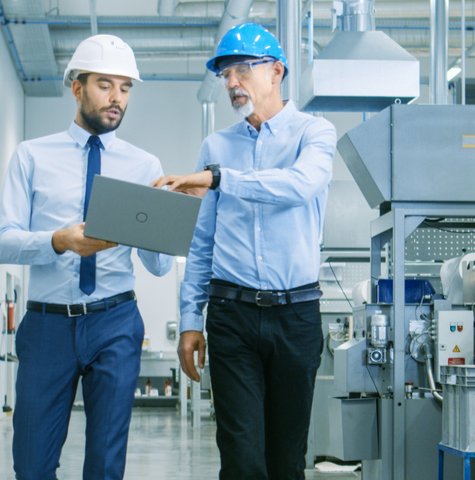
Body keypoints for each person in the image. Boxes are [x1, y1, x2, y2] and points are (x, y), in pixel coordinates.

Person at [151, 22, 336, 480]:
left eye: (242, 70)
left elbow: (299, 185)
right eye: (225, 74)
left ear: (276, 71)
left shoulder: (315, 133)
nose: (232, 83)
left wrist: (220, 178)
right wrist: (190, 321)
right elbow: (202, 242)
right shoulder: (217, 146)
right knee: (240, 457)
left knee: (286, 459)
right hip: (232, 315)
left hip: (297, 315)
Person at [0, 34, 171, 480]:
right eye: (105, 85)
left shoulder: (144, 166)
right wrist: (59, 241)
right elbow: (1, 243)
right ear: (77, 87)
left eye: (125, 88)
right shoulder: (32, 156)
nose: (117, 99)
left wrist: (158, 219)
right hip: (48, 325)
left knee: (106, 465)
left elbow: (160, 266)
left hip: (115, 321)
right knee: (31, 465)